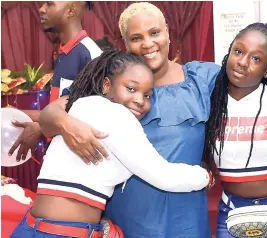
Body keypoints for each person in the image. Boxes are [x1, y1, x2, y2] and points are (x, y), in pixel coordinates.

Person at [38, 3, 267, 237]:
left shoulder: (202, 78)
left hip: (185, 220)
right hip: (128, 217)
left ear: (168, 35)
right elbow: (54, 114)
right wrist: (66, 124)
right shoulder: (113, 82)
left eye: (154, 33)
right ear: (125, 44)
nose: (147, 43)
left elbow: (261, 80)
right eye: (136, 38)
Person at [11, 50, 213, 238]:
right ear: (106, 85)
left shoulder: (80, 104)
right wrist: (205, 176)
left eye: (147, 95)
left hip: (31, 227)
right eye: (131, 88)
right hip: (65, 232)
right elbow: (164, 176)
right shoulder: (116, 115)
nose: (139, 100)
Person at [203, 22, 267, 238]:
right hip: (231, 211)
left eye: (256, 58)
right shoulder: (211, 101)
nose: (243, 62)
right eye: (238, 51)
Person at [9, 1, 101, 162]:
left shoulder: (90, 54)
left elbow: (96, 116)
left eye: (49, 4)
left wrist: (40, 129)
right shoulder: (65, 53)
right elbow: (62, 108)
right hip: (63, 156)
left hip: (82, 163)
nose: (41, 9)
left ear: (71, 10)